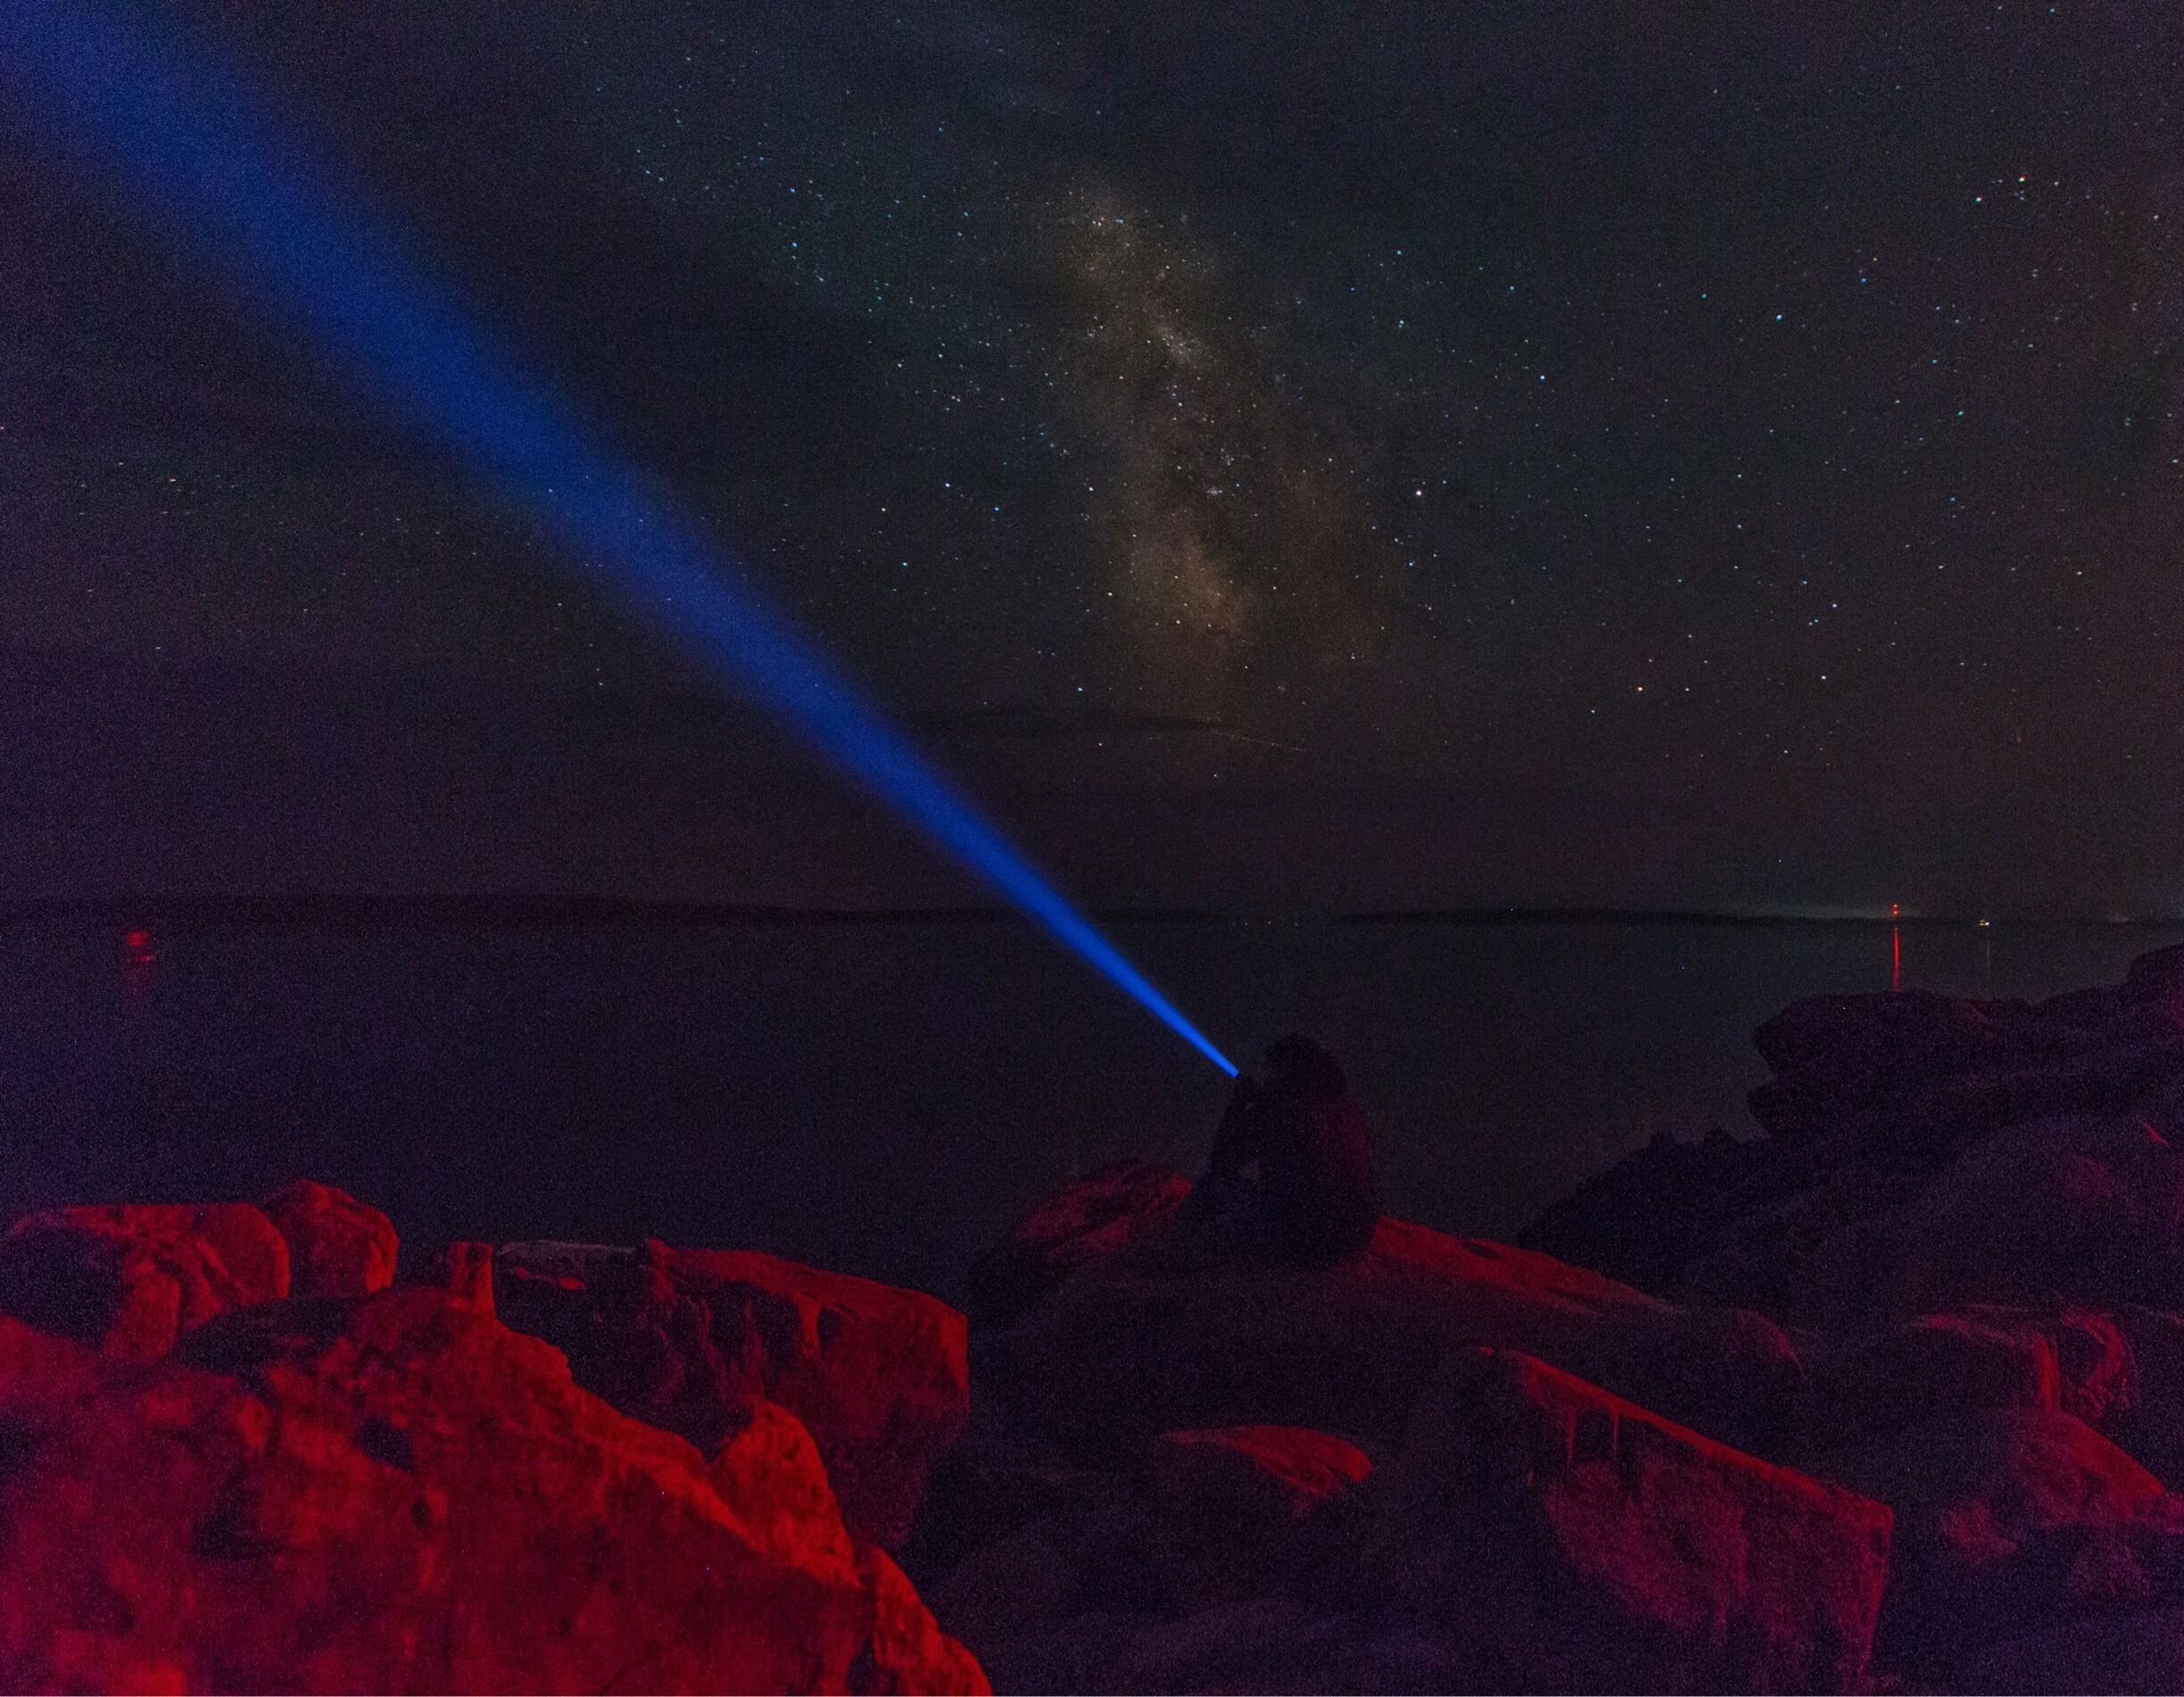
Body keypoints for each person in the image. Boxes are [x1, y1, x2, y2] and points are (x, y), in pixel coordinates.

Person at [1187, 1034, 1379, 1265]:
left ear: (1284, 1068)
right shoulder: (1345, 1107)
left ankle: (1175, 1252)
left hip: (1301, 1240)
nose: (1265, 1074)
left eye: (1270, 1067)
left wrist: (1239, 1104)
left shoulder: (1276, 1107)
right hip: (1355, 1240)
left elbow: (1222, 1162)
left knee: (1213, 1188)